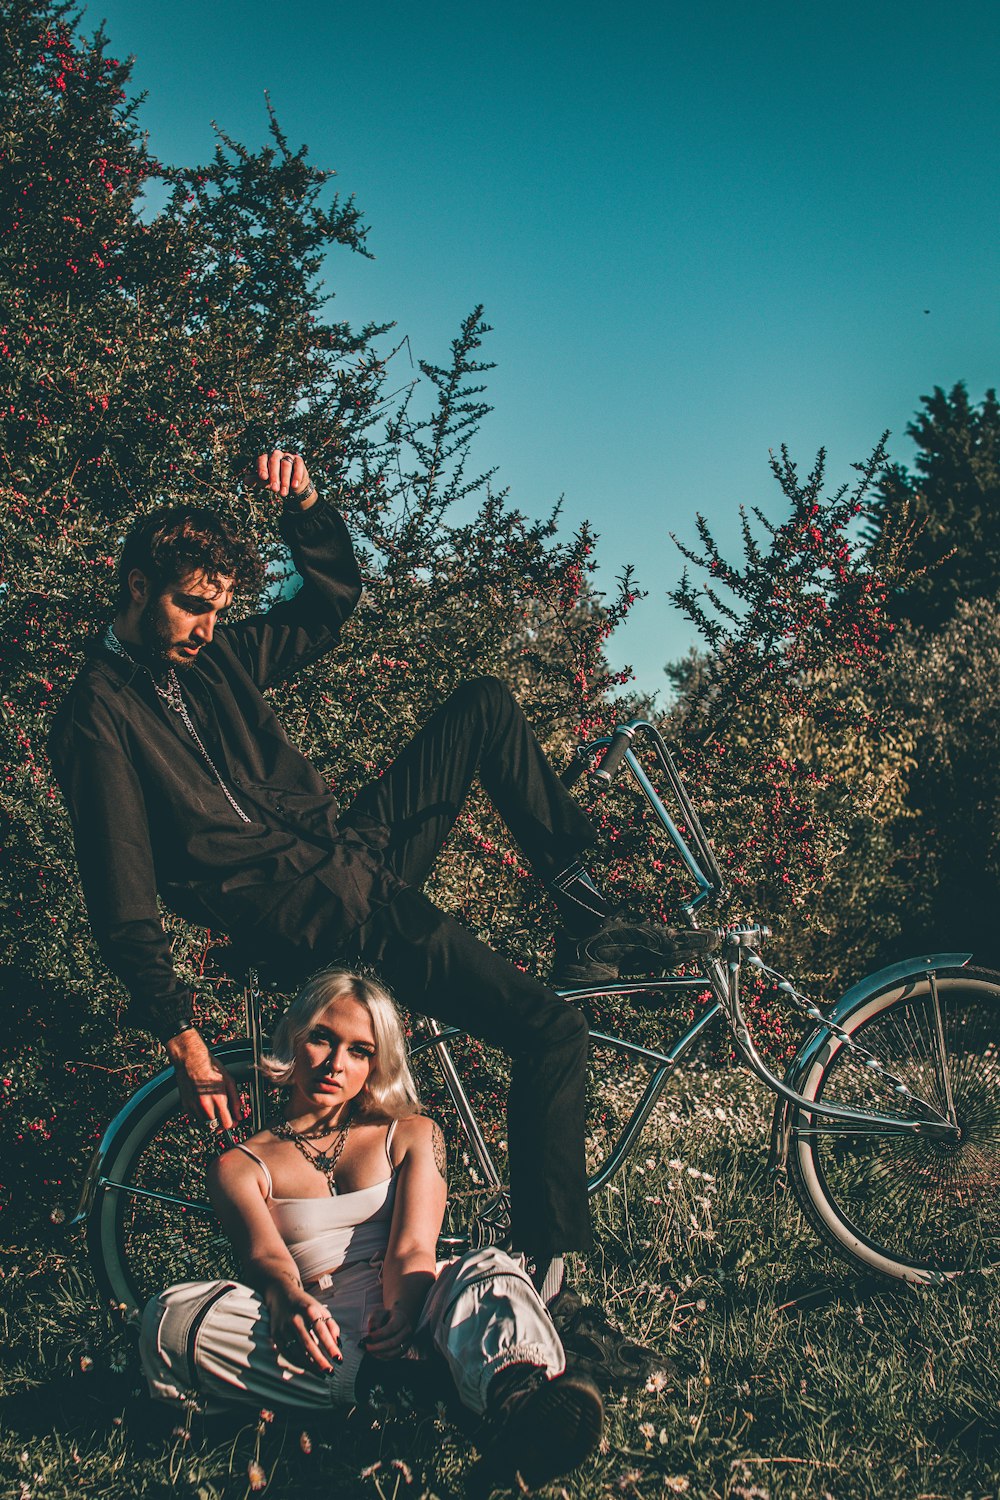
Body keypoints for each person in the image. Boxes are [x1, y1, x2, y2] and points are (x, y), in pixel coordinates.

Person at [50, 448, 707, 1360]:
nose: (207, 627)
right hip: (311, 917)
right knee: (550, 1031)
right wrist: (186, 1040)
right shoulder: (96, 718)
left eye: (219, 609)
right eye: (190, 606)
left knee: (481, 705)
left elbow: (329, 603)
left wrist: (307, 507)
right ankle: (553, 1282)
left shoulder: (220, 660)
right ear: (133, 586)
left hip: (347, 858)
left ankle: (584, 912)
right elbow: (121, 894)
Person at [139, 969, 605, 1490]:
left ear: (375, 1063)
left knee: (487, 1268)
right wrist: (287, 1299)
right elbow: (264, 1257)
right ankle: (405, 1391)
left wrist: (403, 1314)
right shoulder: (240, 1165)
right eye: (322, 1038)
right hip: (323, 1334)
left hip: (417, 1305)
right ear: (293, 1037)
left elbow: (412, 1248)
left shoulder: (412, 1133)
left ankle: (518, 1397)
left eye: (359, 1050)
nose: (337, 1064)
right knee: (171, 1316)